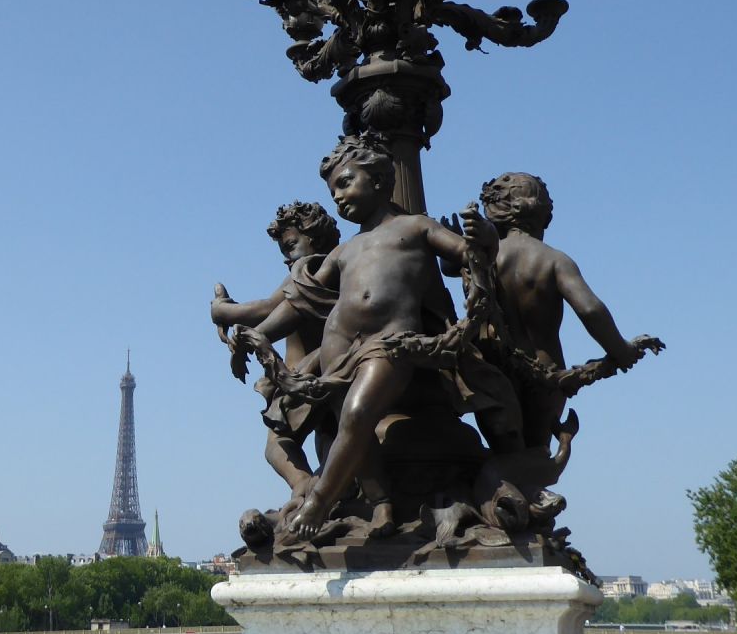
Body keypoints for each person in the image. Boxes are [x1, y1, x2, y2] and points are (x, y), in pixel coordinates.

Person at [245, 134, 513, 539]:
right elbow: (300, 301)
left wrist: (486, 236)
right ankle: (380, 502)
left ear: (380, 180)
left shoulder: (416, 227)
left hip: (390, 344)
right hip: (338, 350)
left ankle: (319, 500)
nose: (338, 197)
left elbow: (468, 254)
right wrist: (256, 334)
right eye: (332, 191)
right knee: (353, 428)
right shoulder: (344, 250)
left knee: (357, 415)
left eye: (345, 182)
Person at [479, 173, 660, 450]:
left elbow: (453, 268)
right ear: (543, 216)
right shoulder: (554, 260)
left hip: (494, 372)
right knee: (536, 455)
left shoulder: (483, 258)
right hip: (546, 375)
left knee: (503, 455)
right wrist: (621, 350)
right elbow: (590, 309)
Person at [211, 202, 347, 511]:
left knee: (276, 445)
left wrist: (222, 310)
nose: (286, 256)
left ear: (314, 237)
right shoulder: (340, 272)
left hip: (304, 376)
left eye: (290, 245)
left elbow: (266, 308)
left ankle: (304, 488)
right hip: (325, 370)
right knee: (329, 437)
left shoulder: (309, 270)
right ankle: (327, 489)